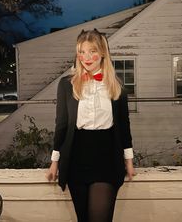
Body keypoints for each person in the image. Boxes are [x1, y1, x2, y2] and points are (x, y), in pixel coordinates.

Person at [46, 29, 135, 222]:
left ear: (103, 52)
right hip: (77, 156)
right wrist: (55, 161)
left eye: (92, 51)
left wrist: (128, 160)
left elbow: (124, 125)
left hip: (107, 157)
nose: (87, 57)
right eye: (82, 52)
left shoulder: (117, 85)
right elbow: (61, 125)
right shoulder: (66, 85)